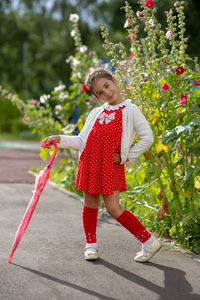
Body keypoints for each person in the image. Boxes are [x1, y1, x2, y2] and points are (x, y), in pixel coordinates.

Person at [41, 67, 162, 263]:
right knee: (89, 204)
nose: (106, 92)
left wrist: (127, 156)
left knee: (113, 208)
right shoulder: (96, 113)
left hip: (110, 166)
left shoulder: (131, 110)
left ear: (114, 80)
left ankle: (148, 241)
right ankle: (91, 246)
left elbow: (147, 138)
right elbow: (81, 140)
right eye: (100, 92)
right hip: (89, 164)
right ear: (96, 97)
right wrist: (59, 139)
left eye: (107, 86)